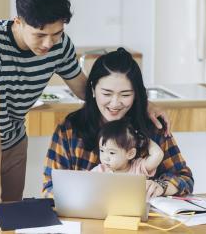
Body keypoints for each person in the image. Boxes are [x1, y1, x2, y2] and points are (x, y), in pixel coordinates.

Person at [0, 0, 169, 233]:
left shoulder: (59, 45)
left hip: (14, 139)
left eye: (57, 33)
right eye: (40, 35)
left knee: (10, 225)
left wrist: (137, 101)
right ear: (18, 21)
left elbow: (85, 90)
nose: (49, 43)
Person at [43, 47, 194, 200]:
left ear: (136, 93)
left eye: (126, 94)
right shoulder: (70, 129)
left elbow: (185, 179)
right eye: (107, 94)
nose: (115, 103)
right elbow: (50, 188)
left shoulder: (152, 126)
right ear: (93, 90)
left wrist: (161, 187)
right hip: (84, 219)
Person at [91, 118, 164, 177]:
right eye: (102, 151)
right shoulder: (100, 171)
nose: (105, 158)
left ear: (130, 154)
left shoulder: (138, 168)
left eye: (112, 152)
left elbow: (158, 154)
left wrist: (145, 139)